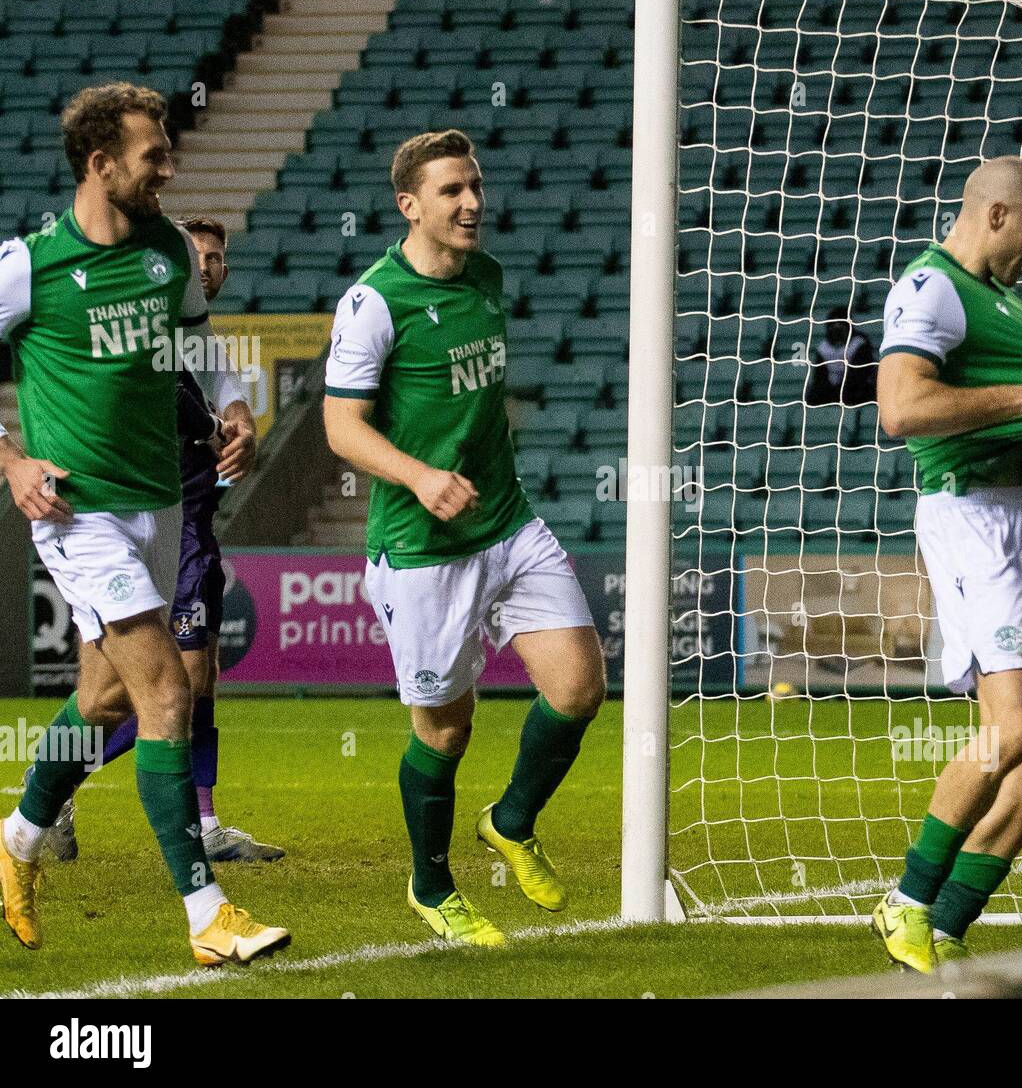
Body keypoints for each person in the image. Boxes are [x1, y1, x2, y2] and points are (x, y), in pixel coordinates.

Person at [0, 83, 288, 966]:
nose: (168, 168)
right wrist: (12, 460)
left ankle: (13, 846)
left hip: (159, 503)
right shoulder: (27, 266)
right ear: (100, 164)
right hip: (78, 512)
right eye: (153, 155)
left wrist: (234, 409)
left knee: (103, 699)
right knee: (168, 695)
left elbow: (201, 348)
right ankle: (208, 916)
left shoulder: (167, 249)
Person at [322, 129, 606, 947]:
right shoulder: (372, 302)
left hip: (508, 522)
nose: (473, 202)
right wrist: (419, 475)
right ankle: (432, 886)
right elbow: (340, 427)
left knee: (579, 689)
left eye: (475, 186)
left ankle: (511, 821)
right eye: (452, 190)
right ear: (410, 205)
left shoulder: (487, 274)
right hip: (421, 548)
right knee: (447, 729)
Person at [871, 155, 1022, 971]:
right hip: (974, 522)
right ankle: (904, 902)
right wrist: (1021, 401)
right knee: (1012, 727)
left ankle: (945, 924)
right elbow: (901, 409)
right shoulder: (932, 285)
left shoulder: (1004, 304)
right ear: (1000, 215)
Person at [30, 215, 285, 865]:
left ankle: (203, 820)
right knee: (171, 676)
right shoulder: (146, 336)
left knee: (199, 678)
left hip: (192, 520)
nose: (206, 267)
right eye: (197, 255)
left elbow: (213, 386)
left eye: (218, 258)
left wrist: (234, 425)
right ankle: (55, 786)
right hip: (147, 513)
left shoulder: (195, 341)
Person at [805, 305, 876, 406]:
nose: (837, 331)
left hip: (854, 389)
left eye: (840, 326)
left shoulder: (859, 344)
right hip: (830, 390)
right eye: (833, 327)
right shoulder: (823, 348)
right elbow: (819, 378)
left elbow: (860, 374)